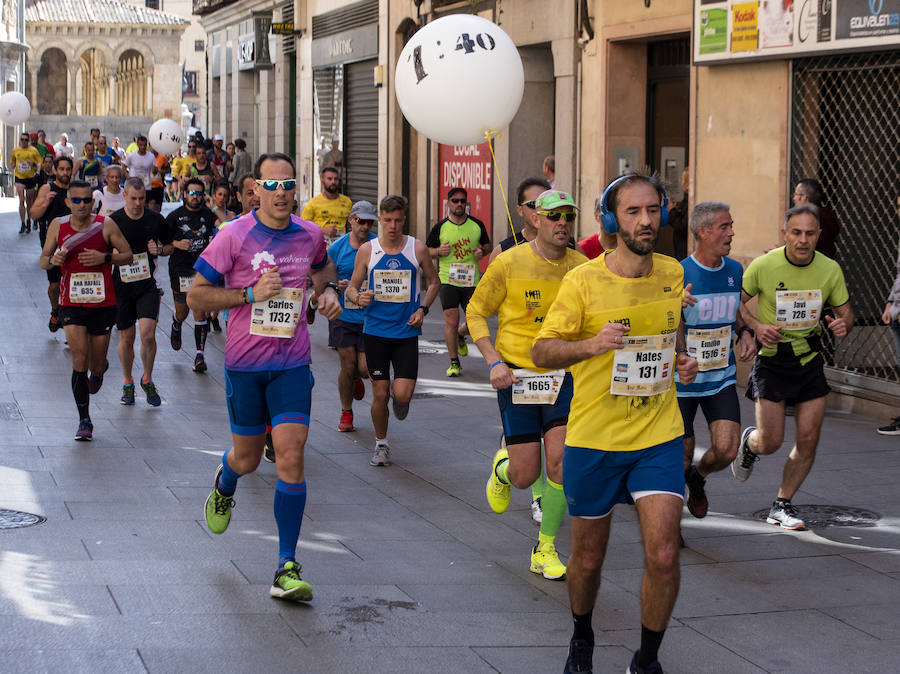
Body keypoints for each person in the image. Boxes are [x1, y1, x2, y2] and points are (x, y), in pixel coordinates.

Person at [531, 173, 698, 674]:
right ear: (611, 219)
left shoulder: (672, 272)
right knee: (586, 559)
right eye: (632, 212)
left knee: (665, 554)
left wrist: (683, 361)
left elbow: (672, 337)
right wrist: (591, 345)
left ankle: (646, 660)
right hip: (594, 438)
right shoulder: (582, 280)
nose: (645, 221)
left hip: (659, 435)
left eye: (652, 210)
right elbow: (543, 350)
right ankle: (581, 636)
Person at [188, 151, 342, 603]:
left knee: (291, 456)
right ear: (255, 188)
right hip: (245, 367)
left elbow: (322, 269)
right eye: (271, 186)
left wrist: (327, 292)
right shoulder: (232, 236)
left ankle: (286, 565)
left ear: (297, 188)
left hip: (292, 363)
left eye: (288, 184)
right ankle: (226, 478)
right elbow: (197, 295)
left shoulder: (310, 234)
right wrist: (248, 294)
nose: (280, 194)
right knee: (248, 458)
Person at [469, 188, 587, 581]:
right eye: (554, 217)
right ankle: (502, 470)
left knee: (561, 463)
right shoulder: (508, 262)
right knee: (525, 474)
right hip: (516, 375)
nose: (562, 224)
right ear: (535, 219)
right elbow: (476, 312)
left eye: (568, 217)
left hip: (564, 376)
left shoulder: (582, 266)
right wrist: (493, 362)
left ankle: (546, 547)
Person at [734, 203, 854, 530]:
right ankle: (750, 444)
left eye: (810, 233)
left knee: (809, 439)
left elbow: (847, 314)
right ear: (784, 233)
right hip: (772, 362)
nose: (803, 240)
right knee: (771, 441)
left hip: (809, 361)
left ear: (818, 235)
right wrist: (756, 327)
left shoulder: (830, 269)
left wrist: (843, 325)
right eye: (796, 232)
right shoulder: (763, 266)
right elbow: (738, 303)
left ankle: (782, 503)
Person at [346, 195, 440, 466]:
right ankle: (381, 444)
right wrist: (358, 297)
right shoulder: (368, 250)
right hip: (375, 331)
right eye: (387, 220)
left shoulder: (417, 248)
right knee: (379, 392)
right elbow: (353, 287)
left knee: (402, 395)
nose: (392, 225)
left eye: (398, 220)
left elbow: (434, 282)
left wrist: (422, 309)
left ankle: (401, 400)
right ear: (380, 220)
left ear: (404, 219)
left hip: (406, 333)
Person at [677, 202, 756, 519]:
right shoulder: (679, 273)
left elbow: (731, 309)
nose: (732, 232)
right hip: (681, 382)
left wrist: (746, 330)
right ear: (703, 231)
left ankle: (698, 479)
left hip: (719, 377)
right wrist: (681, 352)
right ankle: (671, 524)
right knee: (679, 455)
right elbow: (669, 320)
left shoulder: (735, 270)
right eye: (725, 227)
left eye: (731, 225)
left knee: (726, 450)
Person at [39, 180, 133, 440]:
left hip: (102, 303)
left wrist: (104, 258)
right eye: (76, 200)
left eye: (86, 200)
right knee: (79, 359)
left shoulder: (105, 225)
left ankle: (100, 369)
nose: (81, 205)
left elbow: (128, 255)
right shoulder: (58, 225)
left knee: (96, 362)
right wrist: (54, 260)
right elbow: (43, 260)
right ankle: (84, 420)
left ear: (93, 202)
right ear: (68, 202)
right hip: (71, 302)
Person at [110, 178, 171, 407]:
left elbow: (170, 245)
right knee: (127, 338)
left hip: (147, 286)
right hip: (122, 287)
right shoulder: (113, 221)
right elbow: (105, 254)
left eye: (141, 199)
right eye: (133, 198)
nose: (137, 203)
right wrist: (115, 255)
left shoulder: (155, 220)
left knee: (147, 334)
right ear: (124, 196)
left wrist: (161, 249)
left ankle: (147, 377)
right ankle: (128, 382)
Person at [426, 187, 491, 376]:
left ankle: (462, 335)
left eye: (463, 201)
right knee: (451, 322)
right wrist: (438, 252)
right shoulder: (440, 227)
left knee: (476, 320)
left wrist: (482, 251)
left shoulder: (477, 225)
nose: (459, 204)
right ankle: (454, 362)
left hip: (471, 280)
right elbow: (425, 250)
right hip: (448, 280)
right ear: (448, 203)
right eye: (455, 201)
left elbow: (487, 244)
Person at [328, 201, 378, 432]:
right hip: (344, 315)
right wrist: (336, 285)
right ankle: (346, 412)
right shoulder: (337, 248)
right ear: (351, 220)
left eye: (369, 222)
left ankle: (357, 379)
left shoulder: (379, 245)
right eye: (361, 221)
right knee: (347, 365)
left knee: (362, 368)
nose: (365, 226)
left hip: (370, 316)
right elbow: (325, 279)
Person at [164, 176, 218, 373]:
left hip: (201, 269)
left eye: (199, 193)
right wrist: (177, 244)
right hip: (180, 270)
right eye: (192, 193)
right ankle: (176, 323)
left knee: (200, 310)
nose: (195, 197)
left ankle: (199, 355)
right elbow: (162, 246)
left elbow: (229, 224)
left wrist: (214, 208)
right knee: (183, 311)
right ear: (185, 194)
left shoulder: (208, 214)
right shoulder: (174, 217)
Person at [489, 177, 583, 262]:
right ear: (520, 210)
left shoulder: (574, 248)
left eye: (569, 216)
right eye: (533, 204)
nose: (562, 222)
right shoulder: (503, 252)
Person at [31, 155, 73, 332]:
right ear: (55, 170)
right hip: (51, 243)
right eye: (61, 169)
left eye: (68, 169)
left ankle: (71, 319)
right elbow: (34, 214)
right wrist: (46, 202)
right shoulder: (47, 189)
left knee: (72, 282)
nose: (65, 172)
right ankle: (55, 310)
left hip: (73, 242)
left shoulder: (75, 190)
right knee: (55, 285)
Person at [300, 167, 352, 243]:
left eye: (336, 179)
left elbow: (352, 223)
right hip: (321, 248)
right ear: (322, 180)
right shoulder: (313, 203)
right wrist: (322, 230)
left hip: (341, 247)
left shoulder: (347, 202)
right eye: (329, 179)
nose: (333, 182)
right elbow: (303, 227)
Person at [792, 179, 840, 258]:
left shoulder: (806, 219)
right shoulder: (827, 216)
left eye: (795, 194)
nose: (794, 198)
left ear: (804, 198)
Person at [12, 131, 42, 233]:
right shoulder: (16, 150)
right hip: (19, 177)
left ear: (28, 141)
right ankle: (22, 223)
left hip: (30, 178)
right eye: (22, 139)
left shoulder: (33, 150)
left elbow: (39, 162)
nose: (24, 141)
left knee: (29, 202)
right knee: (21, 200)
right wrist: (13, 165)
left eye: (26, 140)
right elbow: (12, 161)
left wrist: (34, 165)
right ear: (20, 140)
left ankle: (29, 221)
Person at [577, 193, 621, 259]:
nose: (613, 216)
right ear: (596, 216)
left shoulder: (632, 248)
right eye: (607, 210)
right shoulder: (582, 249)